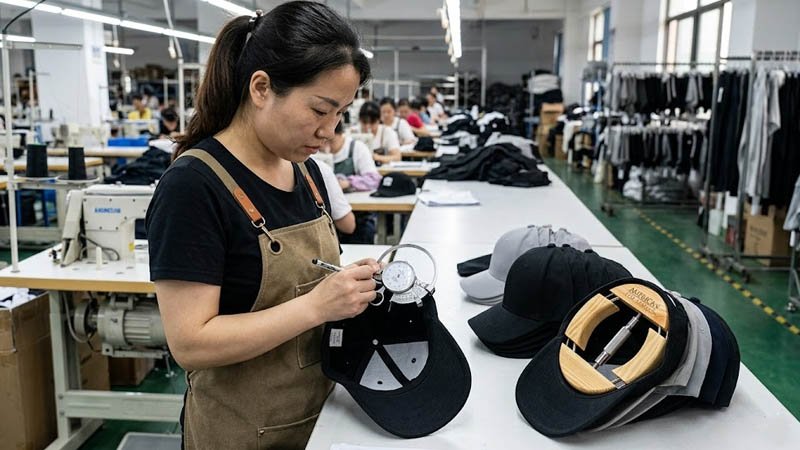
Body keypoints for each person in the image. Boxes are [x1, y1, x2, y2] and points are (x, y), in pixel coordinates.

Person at [145, 2, 377, 448]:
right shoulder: (194, 186)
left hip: (320, 420)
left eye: (341, 113)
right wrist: (317, 306)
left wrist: (350, 288)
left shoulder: (307, 173)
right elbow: (191, 343)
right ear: (261, 88)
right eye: (319, 109)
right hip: (241, 433)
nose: (330, 132)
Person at [321, 121, 381, 243]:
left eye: (330, 141)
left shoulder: (356, 148)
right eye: (322, 140)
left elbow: (374, 179)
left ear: (340, 134)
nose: (325, 146)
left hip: (357, 214)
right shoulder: (314, 151)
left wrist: (348, 183)